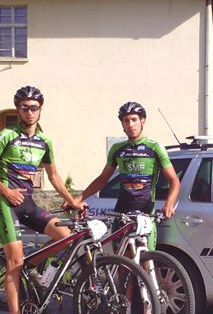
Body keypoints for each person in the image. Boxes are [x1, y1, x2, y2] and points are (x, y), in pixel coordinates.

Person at [0, 85, 86, 314]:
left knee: (67, 235)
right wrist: (6, 191)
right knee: (15, 263)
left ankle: (33, 264)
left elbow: (54, 176)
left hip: (28, 203)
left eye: (34, 107)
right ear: (18, 110)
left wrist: (72, 200)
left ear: (40, 110)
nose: (29, 112)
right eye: (24, 107)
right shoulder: (6, 135)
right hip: (6, 205)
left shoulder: (44, 141)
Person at [77, 101, 180, 242]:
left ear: (142, 121)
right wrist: (78, 198)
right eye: (126, 121)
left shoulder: (155, 148)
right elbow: (103, 179)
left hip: (145, 211)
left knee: (145, 254)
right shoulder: (117, 149)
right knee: (121, 255)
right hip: (122, 211)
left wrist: (169, 204)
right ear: (122, 124)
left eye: (134, 119)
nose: (130, 124)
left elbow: (174, 181)